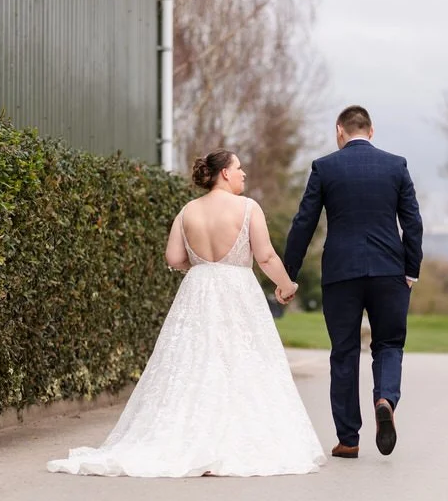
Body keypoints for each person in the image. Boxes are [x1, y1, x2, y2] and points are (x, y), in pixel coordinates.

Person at [46, 149, 326, 477]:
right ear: (224, 173)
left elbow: (173, 257)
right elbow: (265, 256)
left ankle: (191, 438)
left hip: (198, 289)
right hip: (237, 291)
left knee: (194, 361)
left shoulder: (187, 211)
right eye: (239, 168)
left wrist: (200, 268)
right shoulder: (248, 208)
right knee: (241, 361)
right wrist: (285, 285)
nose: (243, 174)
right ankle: (229, 441)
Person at [282, 106, 424, 459]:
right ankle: (385, 399)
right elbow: (413, 223)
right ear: (371, 131)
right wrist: (411, 270)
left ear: (339, 131)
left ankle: (348, 439)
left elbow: (304, 224)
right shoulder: (396, 166)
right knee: (389, 344)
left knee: (343, 353)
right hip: (389, 271)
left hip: (341, 273)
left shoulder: (325, 167)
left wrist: (288, 274)